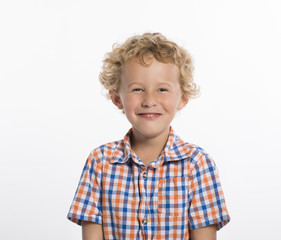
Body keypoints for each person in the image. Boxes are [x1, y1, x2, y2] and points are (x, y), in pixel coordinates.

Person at [67, 32, 230, 240]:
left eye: (162, 89)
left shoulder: (197, 164)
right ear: (117, 98)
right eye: (137, 89)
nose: (149, 100)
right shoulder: (99, 162)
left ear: (183, 98)